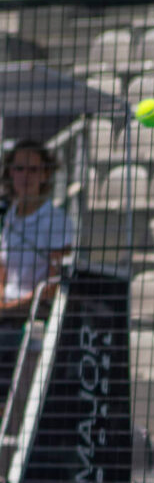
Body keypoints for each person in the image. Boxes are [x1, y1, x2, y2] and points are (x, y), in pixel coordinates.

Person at [0, 138, 73, 393]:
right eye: (19, 169)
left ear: (45, 175)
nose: (25, 176)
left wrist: (10, 308)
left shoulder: (57, 220)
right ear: (10, 173)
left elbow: (52, 287)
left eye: (33, 169)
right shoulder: (7, 218)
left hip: (34, 317)